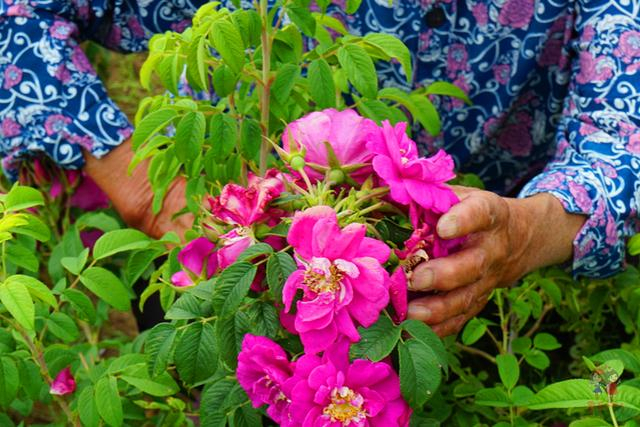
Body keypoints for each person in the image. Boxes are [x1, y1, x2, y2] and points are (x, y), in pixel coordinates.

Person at [1, 0, 638, 336]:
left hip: (472, 288)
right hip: (215, 250)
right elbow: (18, 14)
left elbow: (621, 144)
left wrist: (521, 235)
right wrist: (147, 191)